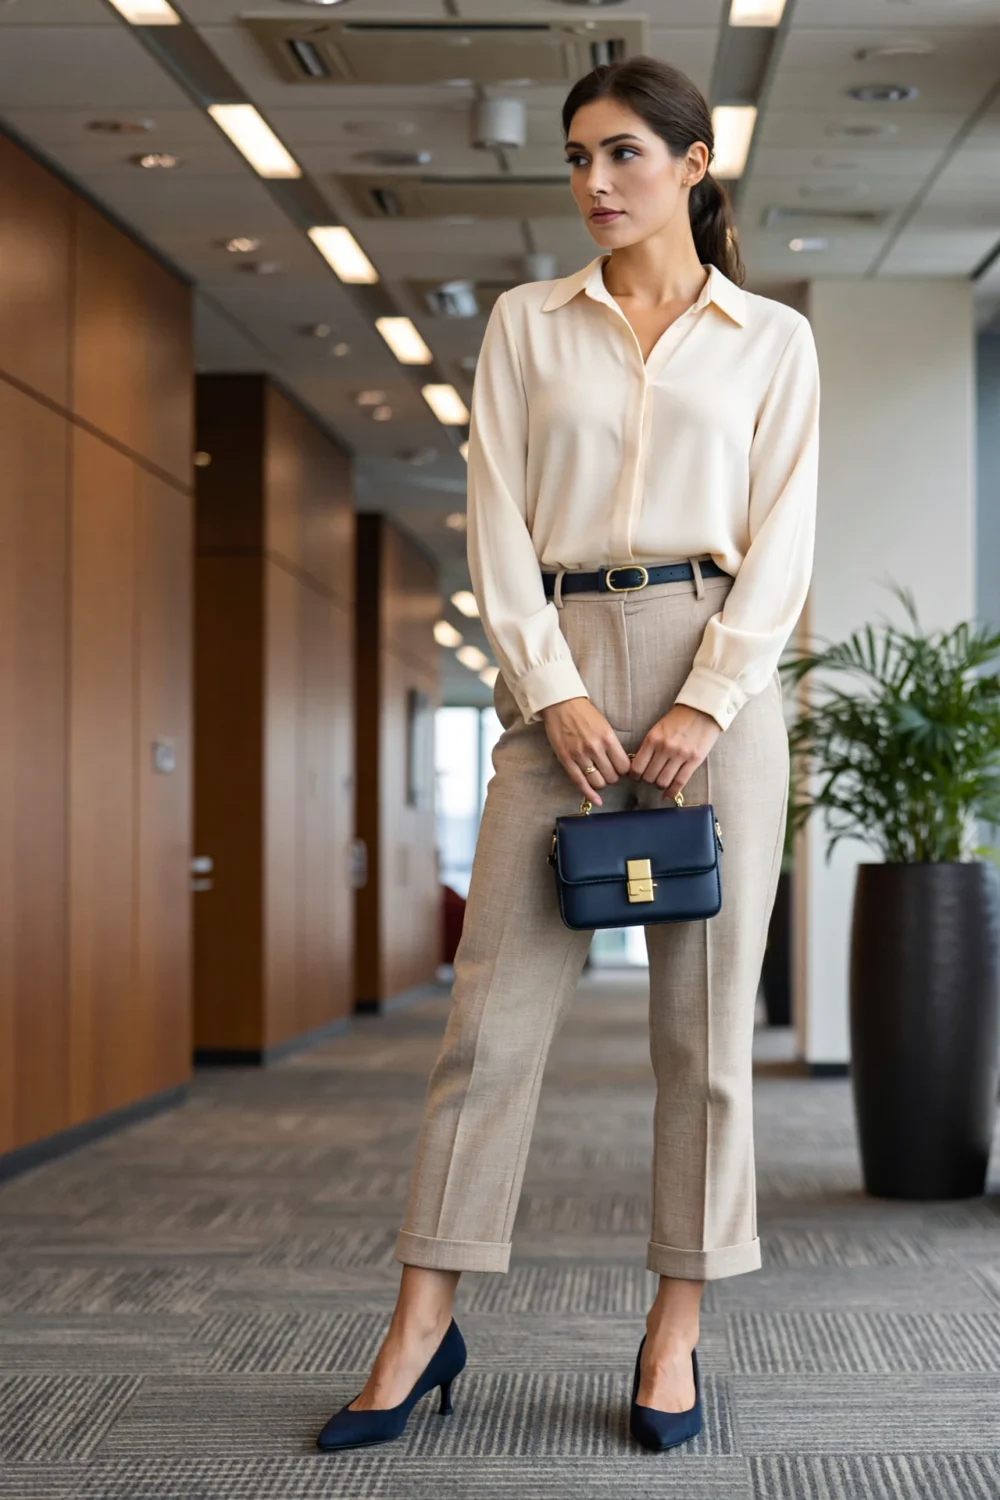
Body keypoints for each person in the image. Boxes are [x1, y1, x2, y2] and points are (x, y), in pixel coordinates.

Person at [317, 52, 820, 1455]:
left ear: (694, 163)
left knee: (703, 1039)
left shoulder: (773, 342)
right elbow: (493, 521)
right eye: (580, 159)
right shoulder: (531, 328)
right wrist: (550, 692)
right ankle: (421, 1324)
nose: (596, 184)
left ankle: (675, 1331)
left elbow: (783, 544)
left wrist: (705, 702)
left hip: (715, 672)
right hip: (561, 677)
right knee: (489, 1025)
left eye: (624, 157)